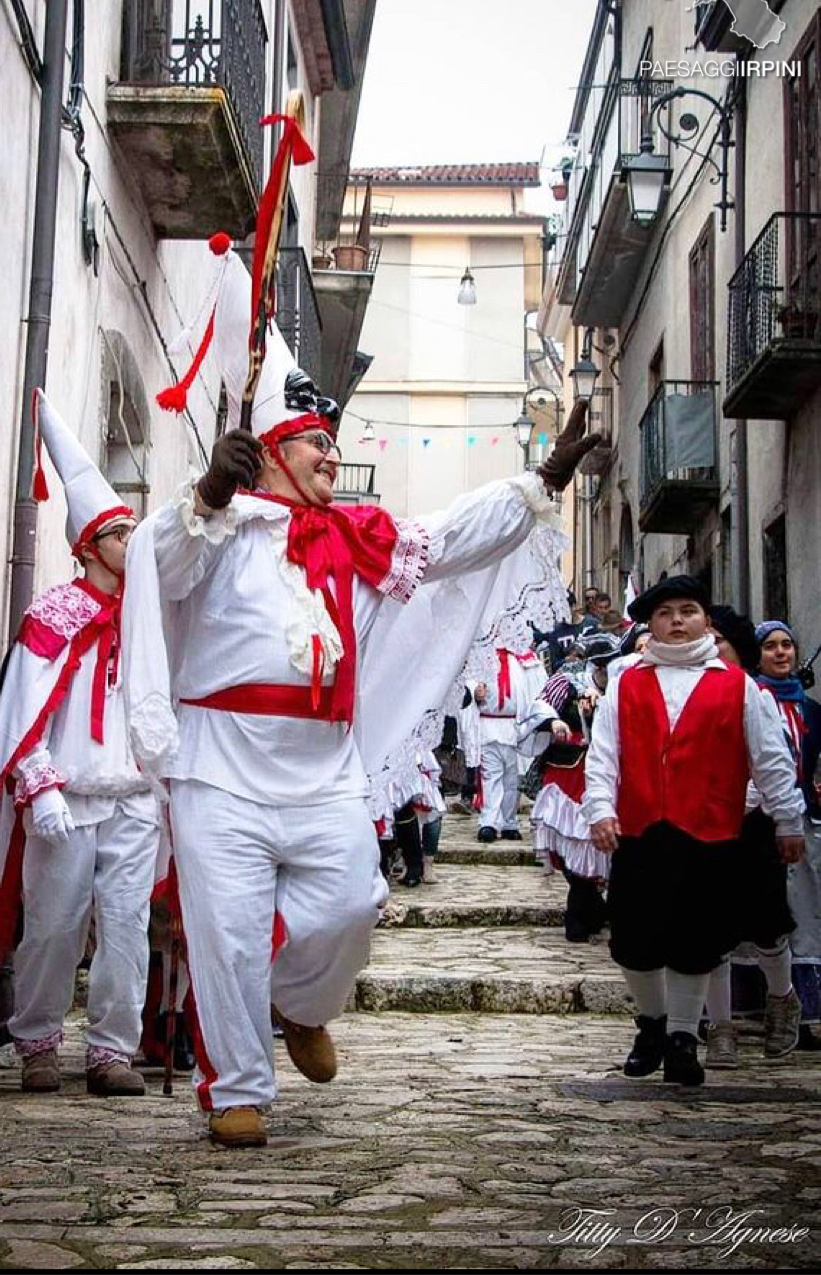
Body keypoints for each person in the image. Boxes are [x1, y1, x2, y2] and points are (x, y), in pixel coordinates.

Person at [123, 236, 599, 1146]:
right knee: (223, 932)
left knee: (349, 901)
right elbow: (165, 565)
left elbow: (452, 536)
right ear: (267, 454)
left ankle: (302, 1004)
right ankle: (236, 1094)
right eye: (312, 443)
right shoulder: (213, 528)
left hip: (321, 762)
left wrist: (541, 481)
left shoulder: (354, 536)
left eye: (334, 444)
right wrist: (211, 494)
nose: (330, 456)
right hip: (219, 762)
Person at [0, 391, 161, 1096]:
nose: (132, 546)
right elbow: (24, 711)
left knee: (127, 928)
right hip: (67, 795)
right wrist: (41, 784)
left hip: (135, 797)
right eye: (122, 535)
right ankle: (37, 1043)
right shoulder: (51, 616)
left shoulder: (150, 620)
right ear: (88, 545)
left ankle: (112, 1051)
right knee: (54, 926)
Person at [586, 576, 804, 1087]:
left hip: (710, 829)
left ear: (706, 620)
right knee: (634, 940)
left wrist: (787, 820)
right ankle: (652, 1025)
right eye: (666, 613)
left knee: (697, 938)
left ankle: (684, 1037)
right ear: (650, 624)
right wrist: (600, 809)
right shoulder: (627, 681)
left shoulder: (738, 685)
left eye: (688, 611)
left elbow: (770, 759)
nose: (677, 621)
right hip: (641, 826)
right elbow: (604, 753)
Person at [703, 606, 800, 1068]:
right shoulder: (688, 693)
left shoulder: (752, 695)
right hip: (702, 823)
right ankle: (720, 1027)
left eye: (717, 640)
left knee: (767, 925)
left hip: (752, 823)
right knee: (713, 929)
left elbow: (774, 762)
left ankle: (782, 999)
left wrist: (787, 820)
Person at [727, 618, 821, 1050]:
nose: (781, 653)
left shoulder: (811, 711)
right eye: (771, 647)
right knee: (760, 918)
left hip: (802, 822)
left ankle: (801, 1012)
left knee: (804, 918)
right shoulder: (749, 700)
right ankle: (752, 1008)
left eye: (787, 645)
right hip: (755, 823)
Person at [521, 632, 619, 941]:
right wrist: (554, 723)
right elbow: (541, 705)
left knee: (603, 844)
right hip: (568, 773)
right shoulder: (568, 679)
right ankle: (582, 905)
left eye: (609, 664)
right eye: (599, 665)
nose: (604, 670)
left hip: (611, 773)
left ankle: (592, 906)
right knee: (571, 841)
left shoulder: (627, 683)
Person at [472, 646, 547, 844]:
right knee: (491, 775)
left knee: (511, 779)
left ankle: (509, 822)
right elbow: (468, 679)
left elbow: (535, 686)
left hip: (514, 725)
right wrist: (475, 691)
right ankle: (489, 822)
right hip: (488, 723)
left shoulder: (524, 659)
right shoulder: (483, 656)